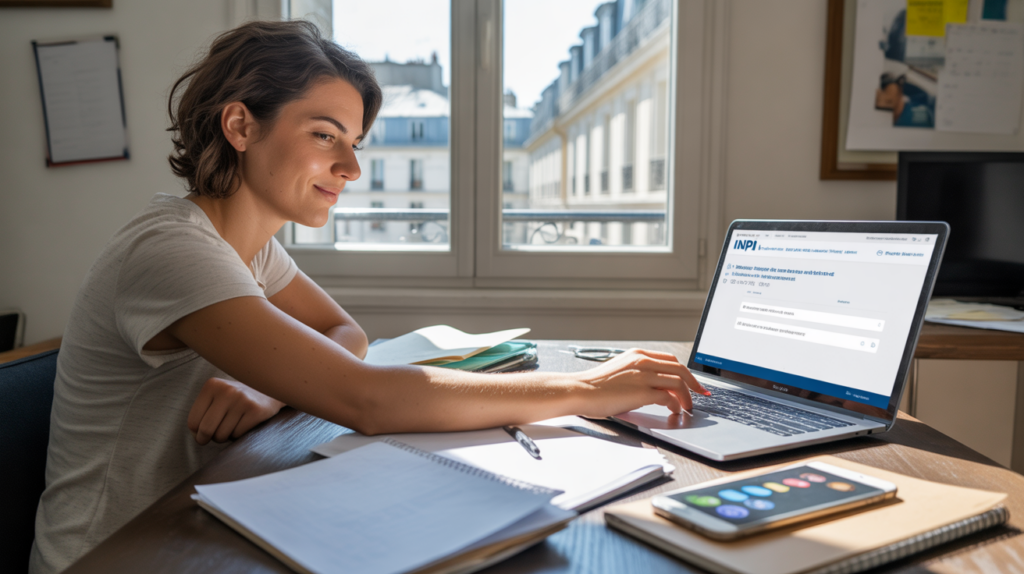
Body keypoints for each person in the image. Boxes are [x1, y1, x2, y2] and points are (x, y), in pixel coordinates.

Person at [29, 20, 707, 574]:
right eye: (325, 135)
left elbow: (345, 332)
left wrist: (267, 389)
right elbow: (366, 397)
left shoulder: (248, 247)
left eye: (353, 143)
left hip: (193, 529)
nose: (351, 168)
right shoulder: (172, 250)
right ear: (240, 126)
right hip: (115, 554)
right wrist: (588, 389)